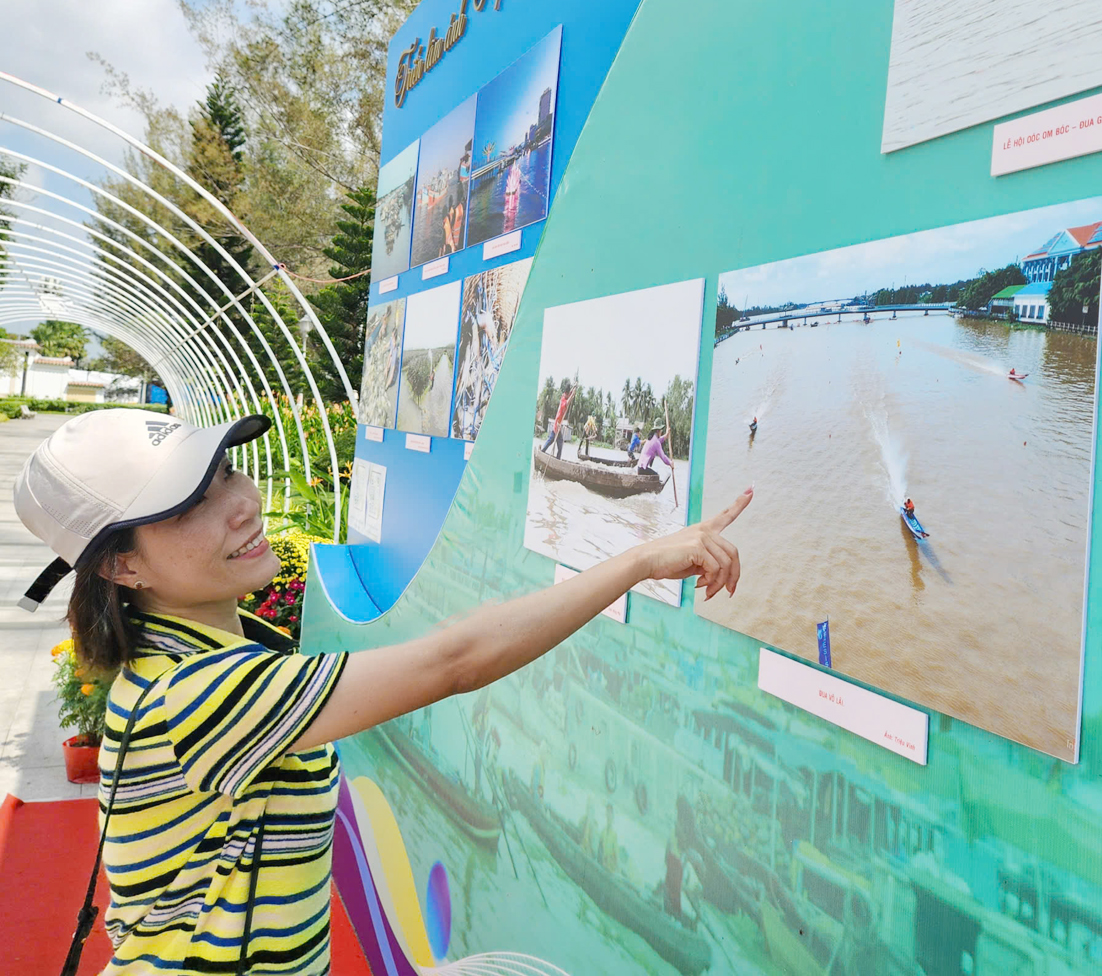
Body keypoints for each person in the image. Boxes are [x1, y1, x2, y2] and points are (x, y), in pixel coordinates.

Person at [14, 409, 749, 973]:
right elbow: (453, 660)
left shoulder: (228, 650)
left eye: (227, 473)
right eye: (186, 506)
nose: (240, 503)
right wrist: (644, 559)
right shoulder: (197, 694)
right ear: (121, 568)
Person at [542, 381, 573, 454]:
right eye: (568, 394)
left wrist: (573, 389)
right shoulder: (563, 401)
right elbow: (567, 402)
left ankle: (545, 452)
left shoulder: (564, 396)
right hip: (557, 425)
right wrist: (572, 395)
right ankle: (543, 451)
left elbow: (569, 395)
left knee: (556, 441)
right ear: (566, 394)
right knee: (553, 440)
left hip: (558, 425)